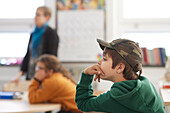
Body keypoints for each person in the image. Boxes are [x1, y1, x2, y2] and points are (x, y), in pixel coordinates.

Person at [75, 38, 165, 113]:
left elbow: (83, 103)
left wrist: (86, 75)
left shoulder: (116, 97)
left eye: (105, 59)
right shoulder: (145, 84)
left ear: (120, 67)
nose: (99, 62)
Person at [11, 6, 59, 83]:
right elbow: (28, 55)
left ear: (47, 17)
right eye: (35, 15)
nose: (35, 17)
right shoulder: (33, 34)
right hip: (31, 73)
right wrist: (19, 75)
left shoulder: (51, 34)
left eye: (38, 15)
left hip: (44, 76)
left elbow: (51, 57)